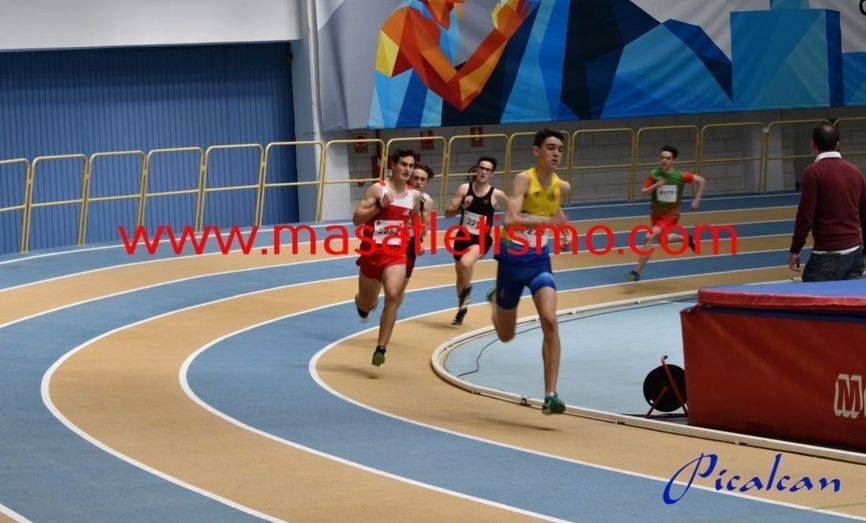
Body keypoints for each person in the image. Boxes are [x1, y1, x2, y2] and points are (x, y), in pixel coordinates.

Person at [488, 129, 571, 415]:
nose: (556, 153)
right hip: (511, 263)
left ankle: (551, 395)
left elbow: (556, 212)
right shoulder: (524, 179)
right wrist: (543, 222)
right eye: (550, 147)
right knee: (505, 335)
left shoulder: (560, 185)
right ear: (537, 151)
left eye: (560, 149)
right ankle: (495, 303)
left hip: (538, 262)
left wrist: (564, 233)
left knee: (550, 319)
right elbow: (510, 220)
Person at [369, 0, 538, 128]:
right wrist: (502, 33)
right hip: (404, 130)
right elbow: (459, 93)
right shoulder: (406, 17)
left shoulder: (454, 15)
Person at [353, 148, 422, 366]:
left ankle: (381, 348)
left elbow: (415, 215)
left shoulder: (414, 195)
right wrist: (379, 206)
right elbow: (357, 218)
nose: (407, 169)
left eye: (411, 166)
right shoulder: (378, 189)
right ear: (393, 165)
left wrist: (416, 235)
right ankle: (363, 305)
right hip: (372, 254)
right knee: (367, 303)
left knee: (394, 294)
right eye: (403, 164)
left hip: (396, 255)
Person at [788, 123, 866, 281]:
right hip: (855, 253)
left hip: (827, 254)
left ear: (813, 146)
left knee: (811, 295)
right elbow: (864, 213)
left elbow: (805, 216)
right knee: (850, 296)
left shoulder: (813, 173)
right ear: (837, 145)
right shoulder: (856, 172)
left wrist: (795, 249)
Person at [625, 145, 705, 282]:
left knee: (649, 237)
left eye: (668, 158)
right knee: (663, 240)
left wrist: (697, 199)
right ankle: (686, 238)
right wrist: (656, 185)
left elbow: (701, 180)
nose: (664, 160)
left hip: (670, 216)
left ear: (673, 160)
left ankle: (636, 271)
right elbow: (643, 193)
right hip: (655, 215)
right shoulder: (654, 174)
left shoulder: (680, 176)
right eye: (662, 157)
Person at [444, 156, 506, 326]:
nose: (483, 172)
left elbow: (514, 208)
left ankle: (467, 293)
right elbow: (448, 213)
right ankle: (462, 308)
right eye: (481, 168)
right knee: (460, 277)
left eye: (487, 170)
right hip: (462, 237)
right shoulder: (464, 189)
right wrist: (462, 206)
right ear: (476, 170)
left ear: (492, 174)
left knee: (466, 263)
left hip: (482, 239)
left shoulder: (496, 194)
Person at [403, 163, 436, 284]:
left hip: (411, 243)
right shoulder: (397, 194)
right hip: (392, 240)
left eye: (422, 179)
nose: (418, 182)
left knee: (402, 282)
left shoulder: (427, 201)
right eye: (415, 178)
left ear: (427, 182)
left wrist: (417, 242)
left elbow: (424, 230)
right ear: (410, 178)